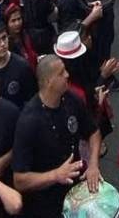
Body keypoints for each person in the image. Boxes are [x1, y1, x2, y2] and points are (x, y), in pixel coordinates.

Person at [12, 53, 102, 217]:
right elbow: (19, 180)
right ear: (48, 81)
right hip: (46, 203)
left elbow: (93, 132)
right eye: (61, 73)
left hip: (76, 190)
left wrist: (94, 164)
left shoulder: (71, 99)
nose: (67, 75)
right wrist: (55, 175)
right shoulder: (29, 122)